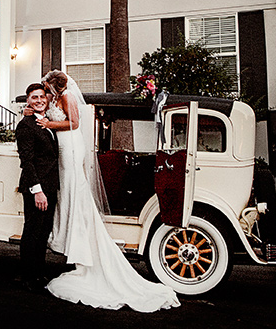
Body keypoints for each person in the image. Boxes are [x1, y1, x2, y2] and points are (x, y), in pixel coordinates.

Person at [37, 70, 180, 312]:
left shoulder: (69, 97)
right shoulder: (54, 98)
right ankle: (71, 241)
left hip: (70, 147)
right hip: (61, 148)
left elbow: (74, 122)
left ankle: (80, 248)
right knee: (67, 192)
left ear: (56, 86)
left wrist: (48, 123)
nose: (46, 91)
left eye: (48, 87)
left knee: (74, 190)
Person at [16, 82, 59, 292]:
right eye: (35, 97)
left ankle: (39, 274)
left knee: (43, 232)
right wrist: (38, 190)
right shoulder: (26, 125)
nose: (40, 100)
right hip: (37, 188)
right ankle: (28, 277)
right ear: (28, 101)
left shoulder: (46, 121)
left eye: (42, 96)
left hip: (50, 186)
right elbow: (27, 160)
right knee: (32, 231)